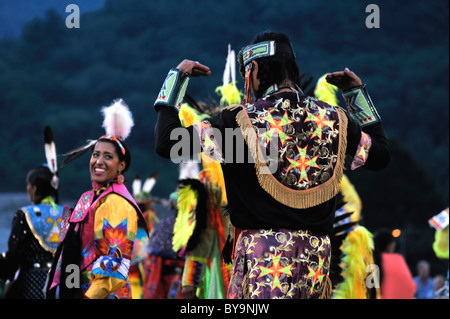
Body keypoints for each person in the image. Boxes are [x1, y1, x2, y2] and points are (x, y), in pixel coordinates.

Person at [153, 30, 389, 299]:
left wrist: (175, 81)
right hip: (315, 264)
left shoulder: (239, 122)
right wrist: (356, 95)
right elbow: (380, 155)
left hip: (262, 263)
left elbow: (167, 143)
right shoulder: (335, 119)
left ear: (253, 70)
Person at [46, 99, 148, 299]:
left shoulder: (117, 202)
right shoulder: (88, 198)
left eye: (108, 157)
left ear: (121, 166)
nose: (98, 162)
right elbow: (71, 251)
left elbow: (114, 266)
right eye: (95, 155)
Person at [0, 126, 65, 299]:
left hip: (32, 285)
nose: (28, 189)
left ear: (34, 188)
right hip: (62, 285)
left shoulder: (25, 215)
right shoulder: (69, 214)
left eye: (29, 185)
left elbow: (14, 258)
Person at [372, 229, 416, 299]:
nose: (394, 245)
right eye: (393, 242)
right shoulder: (397, 259)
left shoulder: (369, 260)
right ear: (389, 245)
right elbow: (409, 287)